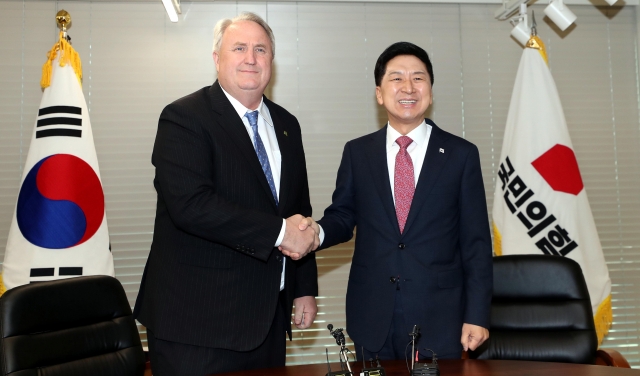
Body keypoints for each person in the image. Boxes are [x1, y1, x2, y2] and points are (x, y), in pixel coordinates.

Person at [134, 12, 319, 375]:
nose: (251, 58)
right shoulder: (184, 117)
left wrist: (302, 287)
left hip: (267, 321)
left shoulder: (286, 125)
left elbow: (299, 210)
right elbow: (192, 206)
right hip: (197, 325)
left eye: (261, 49)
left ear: (271, 62)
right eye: (239, 48)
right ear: (217, 58)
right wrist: (282, 233)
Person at [285, 42, 492, 361]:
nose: (408, 87)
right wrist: (315, 233)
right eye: (396, 78)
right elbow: (342, 216)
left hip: (440, 316)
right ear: (379, 93)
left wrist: (477, 313)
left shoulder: (460, 155)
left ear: (431, 91)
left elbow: (476, 243)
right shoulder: (358, 153)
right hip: (372, 314)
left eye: (418, 78)